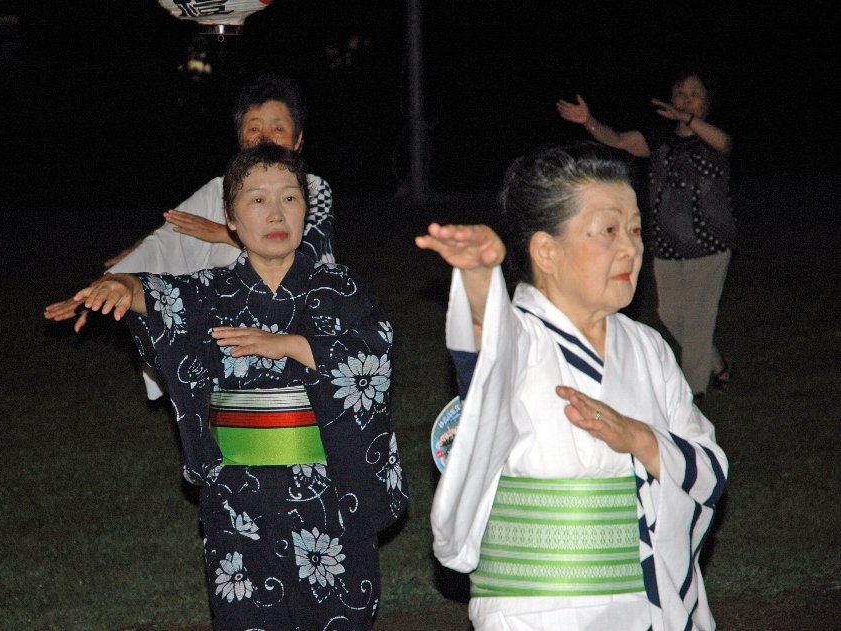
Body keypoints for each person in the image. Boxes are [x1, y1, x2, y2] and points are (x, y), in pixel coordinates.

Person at [46, 143, 407, 630]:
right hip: (241, 507)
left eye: (290, 198)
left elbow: (373, 354)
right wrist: (121, 286)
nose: (276, 213)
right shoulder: (208, 292)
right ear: (232, 219)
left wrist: (290, 345)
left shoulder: (341, 288)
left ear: (306, 210)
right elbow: (153, 295)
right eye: (257, 200)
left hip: (329, 504)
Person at [416, 142, 727, 630]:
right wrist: (478, 276)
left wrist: (641, 440)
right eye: (608, 230)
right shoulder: (521, 336)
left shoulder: (648, 348)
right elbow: (487, 350)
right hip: (534, 613)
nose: (631, 247)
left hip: (645, 605)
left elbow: (708, 465)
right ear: (546, 250)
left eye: (635, 229)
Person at [73, 73, 337, 400]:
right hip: (228, 349)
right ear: (240, 139)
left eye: (278, 128)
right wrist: (106, 285)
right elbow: (165, 241)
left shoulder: (313, 189)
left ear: (298, 141)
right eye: (254, 128)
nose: (265, 138)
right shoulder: (218, 192)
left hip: (302, 337)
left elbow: (305, 252)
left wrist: (223, 233)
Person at [555, 68, 735, 398]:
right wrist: (588, 120)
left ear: (708, 102)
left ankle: (693, 394)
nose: (685, 99)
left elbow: (725, 143)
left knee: (697, 318)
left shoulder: (714, 138)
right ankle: (716, 365)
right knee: (669, 314)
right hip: (667, 243)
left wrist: (690, 120)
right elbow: (618, 139)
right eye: (680, 92)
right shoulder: (659, 139)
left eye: (694, 93)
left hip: (709, 242)